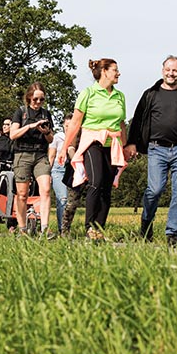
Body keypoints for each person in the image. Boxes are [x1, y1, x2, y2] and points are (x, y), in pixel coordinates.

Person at [125, 55, 177, 248]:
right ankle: (146, 223)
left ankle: (173, 235)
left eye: (175, 70)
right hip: (156, 149)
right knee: (155, 190)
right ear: (162, 71)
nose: (171, 73)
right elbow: (137, 120)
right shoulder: (151, 94)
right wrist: (132, 143)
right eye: (168, 70)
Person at [58, 58, 127, 242]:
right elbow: (75, 124)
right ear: (104, 71)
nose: (118, 73)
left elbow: (121, 124)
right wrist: (65, 147)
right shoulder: (88, 93)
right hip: (92, 143)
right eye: (115, 70)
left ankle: (99, 229)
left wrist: (125, 147)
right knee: (95, 182)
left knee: (106, 188)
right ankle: (89, 227)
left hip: (112, 145)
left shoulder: (120, 96)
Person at [9, 83, 55, 234]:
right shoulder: (20, 112)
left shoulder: (46, 114)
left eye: (42, 99)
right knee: (22, 194)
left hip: (41, 155)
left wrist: (46, 131)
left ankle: (45, 228)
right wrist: (30, 126)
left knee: (46, 190)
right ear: (29, 98)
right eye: (35, 99)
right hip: (22, 154)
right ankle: (22, 228)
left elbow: (50, 140)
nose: (38, 102)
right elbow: (13, 134)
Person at [47, 127, 74, 234]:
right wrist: (48, 172)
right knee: (63, 198)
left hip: (72, 168)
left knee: (71, 201)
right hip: (58, 169)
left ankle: (67, 226)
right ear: (63, 126)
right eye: (67, 126)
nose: (68, 128)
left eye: (70, 125)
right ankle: (62, 229)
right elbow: (52, 155)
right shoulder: (58, 137)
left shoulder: (76, 137)